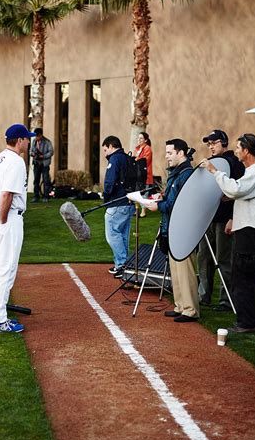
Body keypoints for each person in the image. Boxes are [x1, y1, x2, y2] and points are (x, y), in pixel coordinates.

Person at [200, 133, 255, 333]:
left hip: (250, 230)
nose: (235, 151)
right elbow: (243, 194)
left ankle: (246, 322)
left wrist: (214, 171)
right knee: (253, 276)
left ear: (247, 150)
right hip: (251, 228)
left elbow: (235, 189)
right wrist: (233, 207)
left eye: (238, 147)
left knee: (242, 277)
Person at [0, 123, 35, 333]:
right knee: (6, 271)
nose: (28, 141)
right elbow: (7, 194)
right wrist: (2, 218)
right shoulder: (16, 161)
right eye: (26, 138)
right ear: (20, 140)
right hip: (7, 219)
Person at [146, 139, 199, 323]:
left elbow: (178, 204)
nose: (166, 156)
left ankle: (190, 310)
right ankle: (180, 306)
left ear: (181, 153)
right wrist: (162, 199)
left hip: (184, 230)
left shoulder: (186, 174)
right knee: (176, 271)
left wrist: (158, 205)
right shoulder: (177, 174)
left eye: (170, 153)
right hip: (172, 229)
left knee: (186, 271)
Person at [198, 129, 245, 311]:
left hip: (225, 219)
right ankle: (204, 295)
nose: (211, 146)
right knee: (203, 257)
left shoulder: (235, 163)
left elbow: (240, 192)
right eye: (208, 144)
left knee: (224, 260)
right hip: (208, 218)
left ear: (224, 142)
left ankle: (226, 300)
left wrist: (233, 217)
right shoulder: (209, 163)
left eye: (214, 143)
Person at [102, 135, 135, 277]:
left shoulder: (114, 159)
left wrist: (106, 196)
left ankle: (122, 265)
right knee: (123, 235)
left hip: (117, 202)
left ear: (111, 146)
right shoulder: (128, 158)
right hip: (129, 202)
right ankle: (121, 264)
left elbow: (109, 182)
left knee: (112, 235)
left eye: (105, 150)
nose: (105, 153)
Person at [30, 128, 54, 203]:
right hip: (36, 163)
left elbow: (51, 152)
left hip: (44, 164)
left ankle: (46, 196)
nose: (36, 138)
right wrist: (33, 154)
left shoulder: (47, 142)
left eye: (37, 136)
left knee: (46, 180)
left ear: (40, 135)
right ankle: (36, 196)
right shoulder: (34, 141)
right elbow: (30, 151)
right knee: (36, 180)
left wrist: (43, 156)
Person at [134, 132, 153, 217]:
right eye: (138, 138)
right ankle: (137, 209)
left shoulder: (147, 148)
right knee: (137, 192)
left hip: (146, 175)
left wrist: (137, 159)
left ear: (146, 140)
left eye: (141, 138)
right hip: (137, 174)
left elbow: (145, 160)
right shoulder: (137, 149)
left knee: (144, 193)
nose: (139, 139)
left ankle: (143, 211)